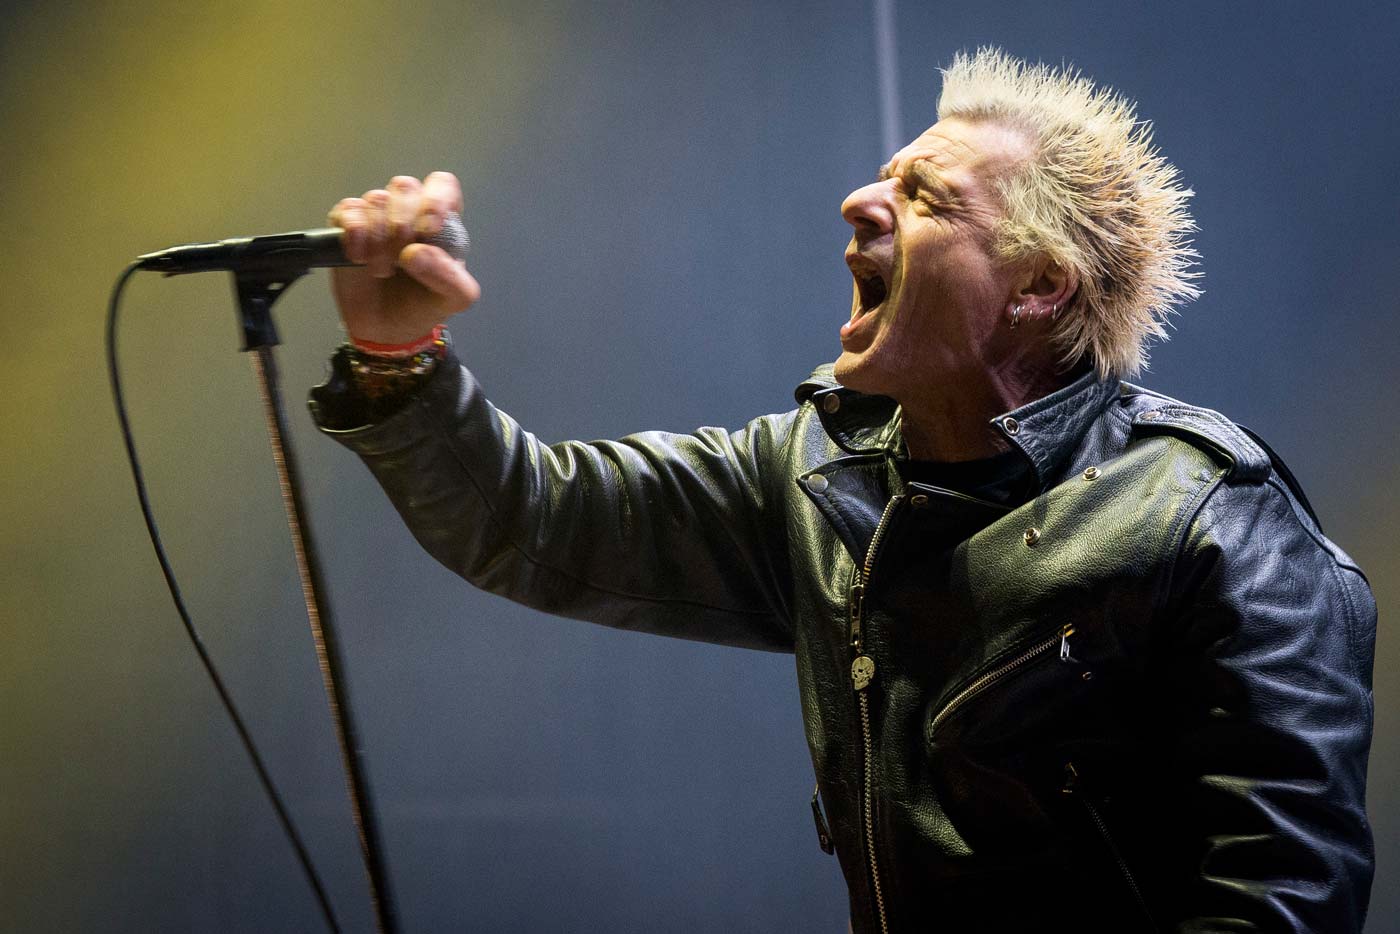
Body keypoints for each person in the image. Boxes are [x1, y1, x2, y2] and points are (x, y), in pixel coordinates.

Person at [309, 49, 1376, 933]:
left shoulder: (1210, 524)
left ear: (1039, 283)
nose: (859, 202)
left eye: (924, 197)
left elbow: (1279, 899)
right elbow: (530, 519)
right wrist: (399, 357)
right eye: (885, 178)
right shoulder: (823, 476)